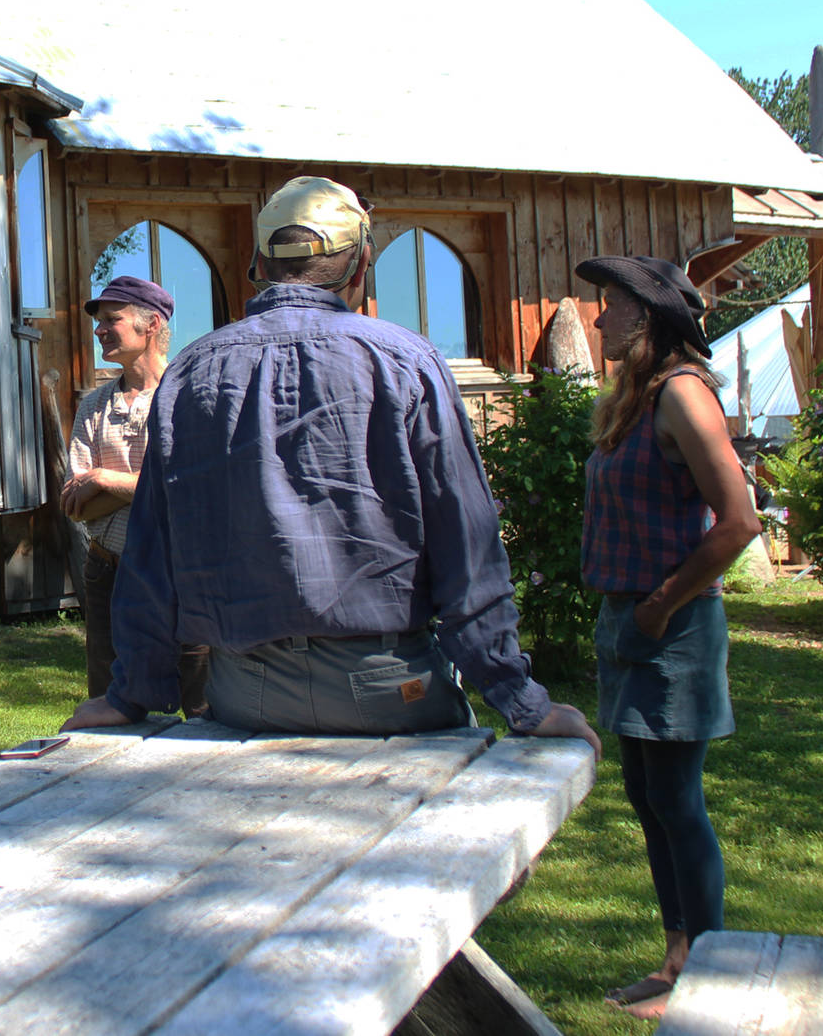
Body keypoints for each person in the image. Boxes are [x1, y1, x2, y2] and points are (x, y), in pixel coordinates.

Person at [62, 176, 599, 759]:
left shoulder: (193, 371)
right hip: (397, 687)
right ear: (362, 261)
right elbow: (467, 541)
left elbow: (152, 549)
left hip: (246, 693)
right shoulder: (408, 360)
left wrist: (130, 694)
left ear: (260, 263)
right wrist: (520, 698)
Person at [576, 255, 760, 1019]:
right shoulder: (636, 400)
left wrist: (662, 604)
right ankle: (678, 955)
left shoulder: (683, 395)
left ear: (647, 317)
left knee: (678, 801)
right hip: (632, 619)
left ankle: (706, 971)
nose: (597, 318)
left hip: (672, 625)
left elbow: (740, 522)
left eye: (609, 305)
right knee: (648, 796)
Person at [62, 275, 209, 714]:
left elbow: (191, 490)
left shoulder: (188, 398)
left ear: (151, 325)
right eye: (99, 321)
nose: (99, 330)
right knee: (110, 701)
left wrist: (106, 479)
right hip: (108, 568)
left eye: (112, 319)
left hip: (179, 570)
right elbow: (76, 505)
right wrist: (150, 484)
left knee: (201, 703)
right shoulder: (94, 405)